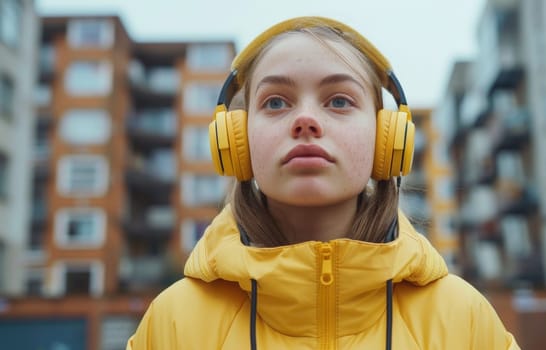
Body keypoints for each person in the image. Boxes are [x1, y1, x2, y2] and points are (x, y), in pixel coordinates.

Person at [127, 16, 520, 350]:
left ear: (386, 139)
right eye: (276, 102)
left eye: (339, 101)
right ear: (237, 141)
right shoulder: (172, 324)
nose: (306, 121)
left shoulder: (464, 320)